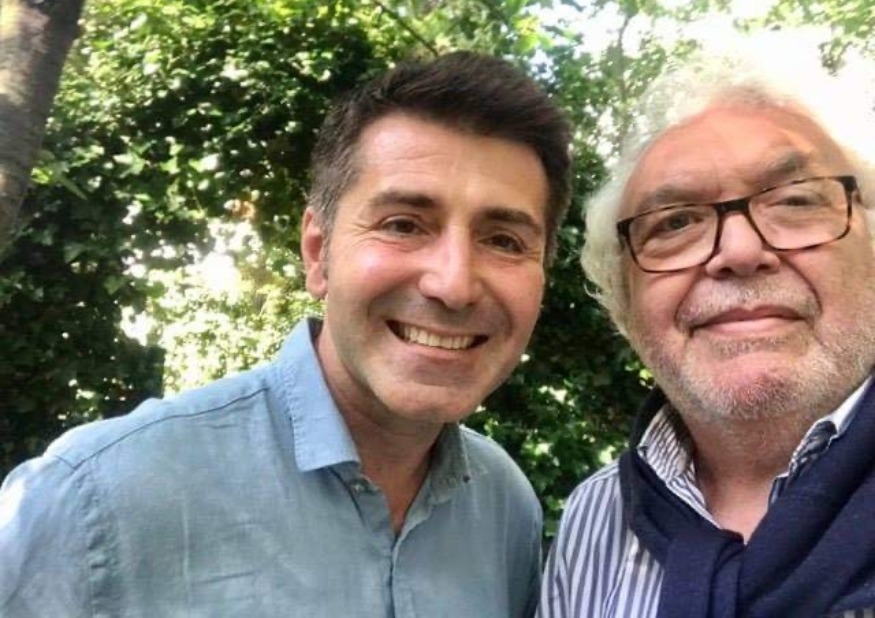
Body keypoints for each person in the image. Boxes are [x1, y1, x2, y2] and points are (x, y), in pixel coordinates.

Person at [1, 51, 572, 617]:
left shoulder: (504, 509)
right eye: (403, 225)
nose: (454, 284)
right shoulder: (92, 499)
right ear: (319, 253)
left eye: (503, 241)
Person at [540, 31, 875, 618]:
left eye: (795, 201)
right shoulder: (595, 519)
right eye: (675, 224)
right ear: (624, 302)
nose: (739, 251)